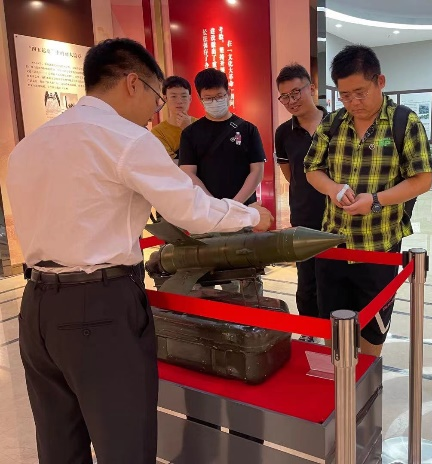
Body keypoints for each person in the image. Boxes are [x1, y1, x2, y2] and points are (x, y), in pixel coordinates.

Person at [6, 38, 272, 464]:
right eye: (155, 97)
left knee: (58, 445)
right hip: (100, 306)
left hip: (36, 306)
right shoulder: (127, 139)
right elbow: (191, 210)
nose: (155, 111)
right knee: (124, 443)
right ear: (133, 82)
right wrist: (253, 216)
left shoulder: (30, 145)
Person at [304, 45, 432, 357]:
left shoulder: (404, 122)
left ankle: (368, 384)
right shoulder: (332, 123)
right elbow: (312, 169)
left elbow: (422, 179)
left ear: (380, 81)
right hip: (333, 245)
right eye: (345, 95)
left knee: (372, 331)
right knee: (333, 328)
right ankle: (339, 384)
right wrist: (333, 188)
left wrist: (375, 200)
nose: (353, 103)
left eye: (360, 92)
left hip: (379, 247)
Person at [179, 68, 266, 297]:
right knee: (205, 273)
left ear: (228, 94)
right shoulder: (190, 133)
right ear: (200, 98)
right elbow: (188, 173)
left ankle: (250, 315)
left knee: (247, 272)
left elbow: (257, 171)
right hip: (205, 214)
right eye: (208, 98)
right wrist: (214, 204)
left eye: (219, 96)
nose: (214, 102)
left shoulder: (248, 129)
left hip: (243, 213)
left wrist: (234, 205)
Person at [274, 63, 327, 343]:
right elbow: (289, 173)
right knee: (307, 279)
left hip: (339, 214)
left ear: (312, 88)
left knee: (337, 276)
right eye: (284, 97)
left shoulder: (337, 124)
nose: (291, 101)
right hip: (304, 214)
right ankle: (310, 330)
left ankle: (336, 330)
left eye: (296, 92)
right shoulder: (283, 133)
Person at [151, 75, 197, 161]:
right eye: (173, 96)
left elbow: (207, 156)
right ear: (165, 98)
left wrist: (188, 129)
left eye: (184, 96)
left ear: (190, 99)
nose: (179, 101)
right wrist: (188, 132)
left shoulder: (201, 125)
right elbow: (172, 162)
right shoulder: (158, 132)